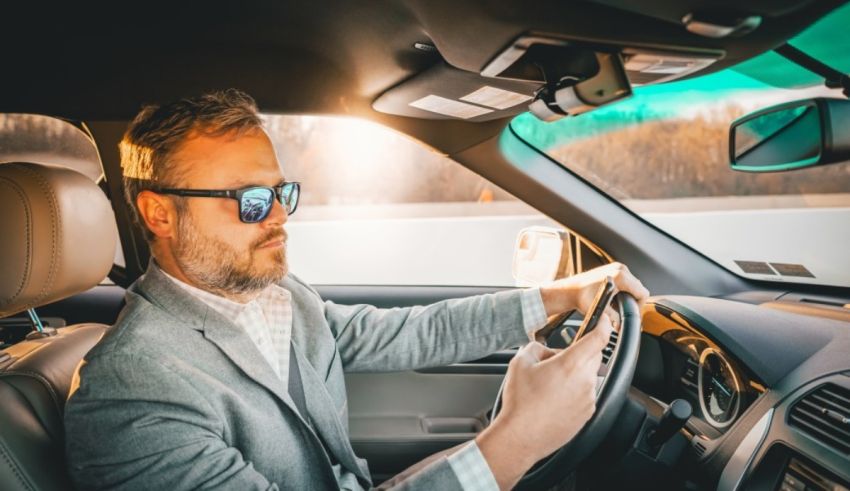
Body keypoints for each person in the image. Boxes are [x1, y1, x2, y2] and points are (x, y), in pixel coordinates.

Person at [64, 89, 649, 490]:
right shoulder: (129, 391)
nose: (279, 217)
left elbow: (402, 332)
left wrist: (555, 297)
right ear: (160, 214)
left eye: (281, 193)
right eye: (250, 200)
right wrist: (516, 441)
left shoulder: (275, 294)